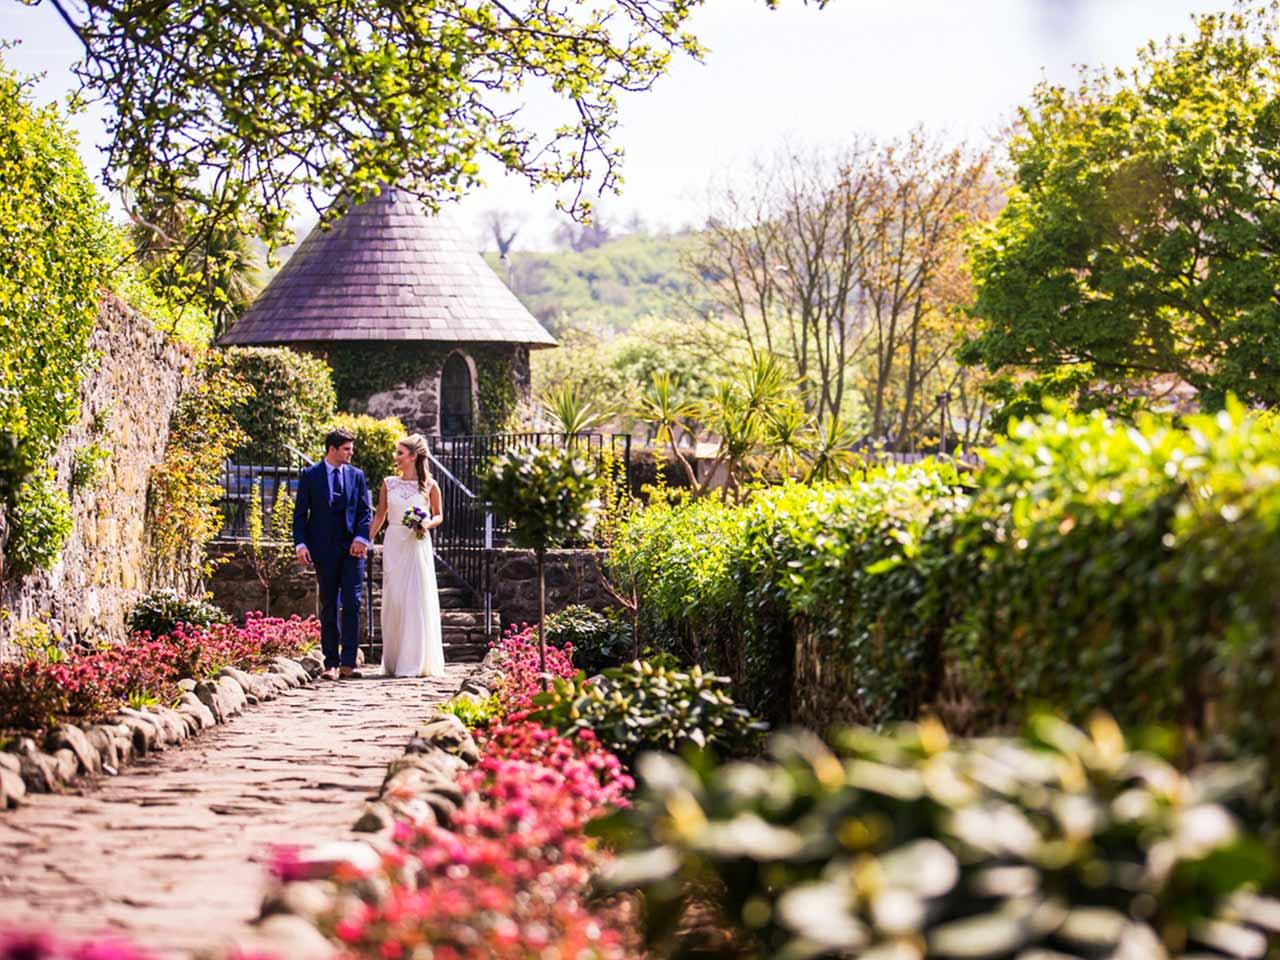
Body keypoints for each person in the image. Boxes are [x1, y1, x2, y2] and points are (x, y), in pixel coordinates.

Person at [293, 428, 372, 680]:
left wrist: (361, 538)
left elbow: (364, 511)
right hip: (323, 550)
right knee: (329, 604)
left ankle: (349, 662)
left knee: (352, 602)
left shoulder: (357, 475)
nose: (351, 453)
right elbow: (300, 515)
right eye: (347, 449)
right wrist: (301, 545)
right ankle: (331, 663)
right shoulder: (310, 475)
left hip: (352, 550)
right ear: (332, 449)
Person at [369, 434, 446, 677]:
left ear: (413, 456)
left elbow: (438, 514)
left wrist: (426, 524)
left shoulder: (430, 486)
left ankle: (414, 662)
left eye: (400, 453)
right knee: (395, 600)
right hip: (394, 542)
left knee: (416, 600)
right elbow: (380, 515)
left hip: (417, 544)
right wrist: (365, 540)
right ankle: (394, 660)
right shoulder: (389, 483)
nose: (396, 457)